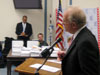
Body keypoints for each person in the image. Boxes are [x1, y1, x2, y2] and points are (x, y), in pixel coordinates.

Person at [57, 6, 99, 75]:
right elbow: (81, 57)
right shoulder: (81, 34)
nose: (62, 23)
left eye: (64, 21)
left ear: (73, 25)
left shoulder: (86, 42)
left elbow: (89, 73)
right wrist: (68, 56)